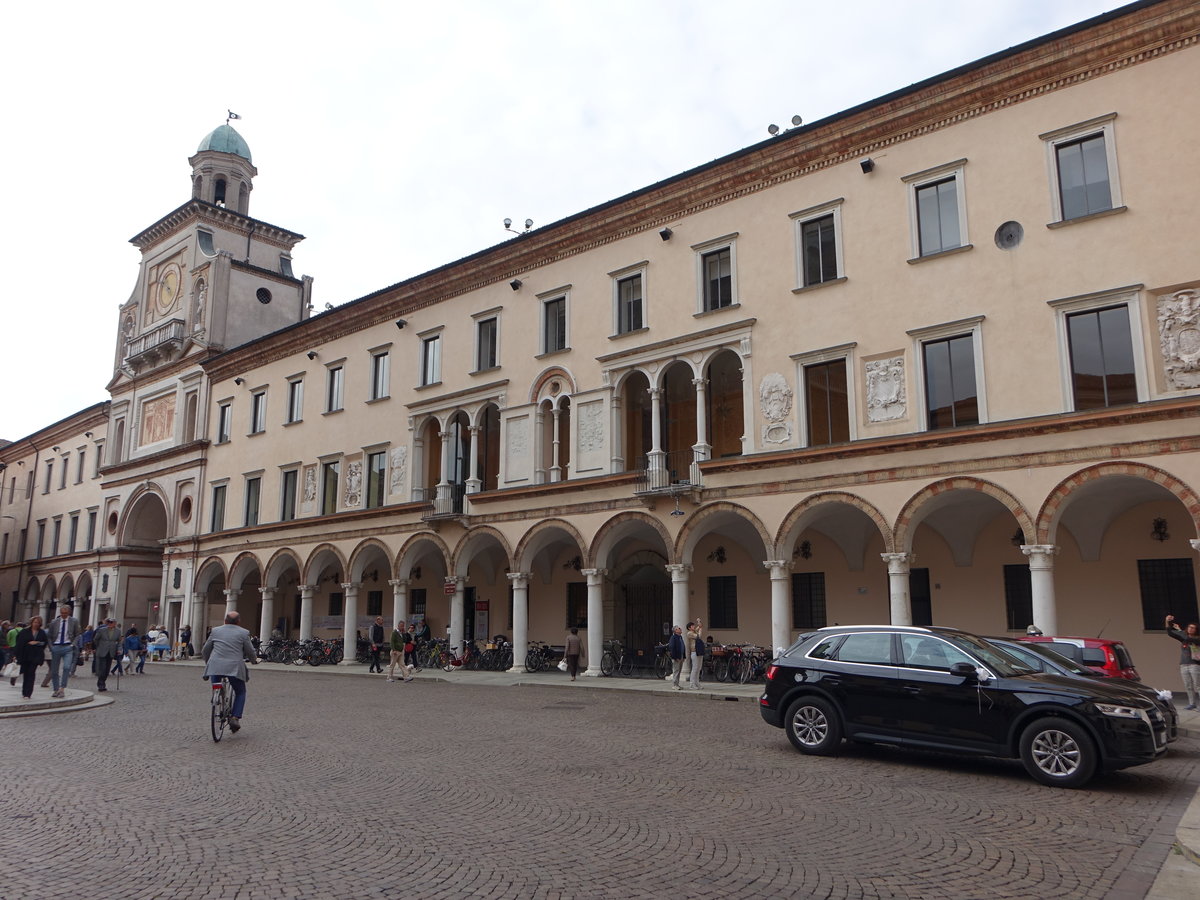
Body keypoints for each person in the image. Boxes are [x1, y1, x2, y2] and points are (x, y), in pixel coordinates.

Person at [202, 611, 258, 733]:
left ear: (225, 621)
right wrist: (254, 661)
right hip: (234, 667)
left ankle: (216, 697)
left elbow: (206, 650)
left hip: (215, 666)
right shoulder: (243, 633)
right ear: (238, 622)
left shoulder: (215, 631)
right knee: (240, 692)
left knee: (216, 684)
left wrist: (208, 663)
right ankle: (235, 717)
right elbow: (250, 651)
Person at [1165, 615, 1200, 710]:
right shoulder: (1184, 638)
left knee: (1198, 685)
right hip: (1184, 664)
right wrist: (1167, 622)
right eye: (1189, 627)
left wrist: (1180, 631)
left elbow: (1189, 639)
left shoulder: (1197, 639)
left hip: (1195, 664)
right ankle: (1192, 703)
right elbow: (1170, 633)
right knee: (1188, 685)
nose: (1190, 629)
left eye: (1193, 628)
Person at [47, 604, 81, 698]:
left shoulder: (74, 621)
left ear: (69, 612)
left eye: (65, 613)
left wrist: (72, 644)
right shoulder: (54, 622)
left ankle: (62, 688)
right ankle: (56, 689)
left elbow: (78, 634)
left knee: (66, 667)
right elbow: (49, 636)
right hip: (56, 647)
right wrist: (51, 647)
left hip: (68, 647)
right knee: (54, 670)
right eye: (62, 613)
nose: (63, 615)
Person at [14, 616, 49, 700]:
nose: (36, 624)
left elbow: (44, 643)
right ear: (31, 622)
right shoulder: (24, 632)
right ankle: (24, 691)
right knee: (26, 673)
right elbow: (19, 643)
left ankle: (28, 693)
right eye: (35, 622)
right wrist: (16, 655)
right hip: (25, 655)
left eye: (38, 622)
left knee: (31, 673)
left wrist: (37, 643)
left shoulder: (41, 632)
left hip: (35, 656)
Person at [91, 618, 121, 692]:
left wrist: (119, 650)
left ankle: (103, 681)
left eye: (112, 622)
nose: (110, 624)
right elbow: (96, 639)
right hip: (102, 651)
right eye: (109, 622)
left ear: (115, 623)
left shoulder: (118, 631)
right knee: (102, 668)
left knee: (107, 669)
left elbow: (119, 642)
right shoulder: (101, 630)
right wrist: (99, 647)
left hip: (111, 652)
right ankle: (101, 685)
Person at [668, 625, 686, 691]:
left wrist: (684, 656)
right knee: (676, 671)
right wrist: (675, 657)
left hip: (680, 656)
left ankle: (677, 684)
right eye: (679, 628)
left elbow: (683, 647)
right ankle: (674, 685)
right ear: (675, 631)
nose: (680, 629)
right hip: (676, 657)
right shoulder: (673, 637)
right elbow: (672, 648)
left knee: (679, 671)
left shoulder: (680, 637)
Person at [688, 619, 705, 690]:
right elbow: (699, 636)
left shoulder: (694, 631)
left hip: (699, 651)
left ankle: (697, 683)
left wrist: (699, 621)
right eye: (692, 626)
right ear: (689, 627)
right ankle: (691, 684)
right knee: (695, 668)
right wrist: (700, 629)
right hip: (694, 651)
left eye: (693, 625)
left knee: (698, 668)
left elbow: (700, 626)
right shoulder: (689, 633)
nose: (694, 626)